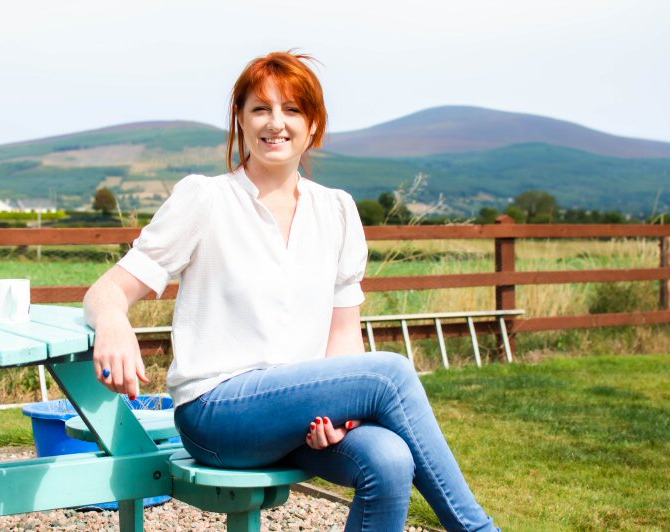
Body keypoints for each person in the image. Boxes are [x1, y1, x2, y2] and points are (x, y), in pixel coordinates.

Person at [83, 51, 499, 531]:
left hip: (301, 414)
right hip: (218, 413)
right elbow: (107, 290)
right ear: (239, 120)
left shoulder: (338, 210)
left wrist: (344, 418)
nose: (275, 123)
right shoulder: (206, 199)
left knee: (388, 459)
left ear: (314, 125)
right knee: (390, 374)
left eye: (292, 110)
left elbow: (344, 335)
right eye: (260, 109)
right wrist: (113, 323)